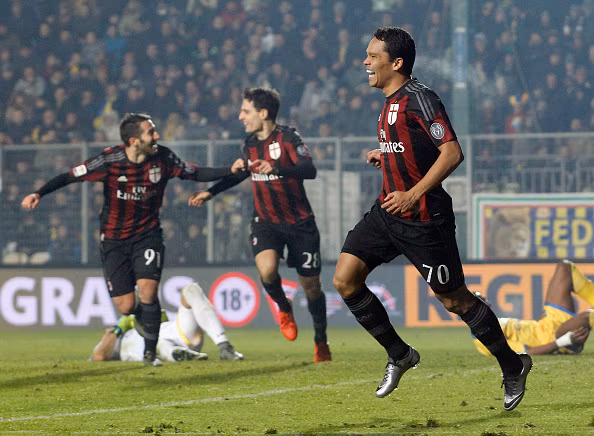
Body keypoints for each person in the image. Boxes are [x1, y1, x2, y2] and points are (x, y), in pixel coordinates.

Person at [331, 27, 531, 411]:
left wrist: (413, 193)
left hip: (424, 219)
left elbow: (452, 152)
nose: (365, 62)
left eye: (373, 56)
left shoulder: (421, 98)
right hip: (388, 212)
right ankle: (400, 354)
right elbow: (413, 146)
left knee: (454, 300)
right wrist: (386, 155)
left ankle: (513, 365)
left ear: (396, 62)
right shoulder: (389, 102)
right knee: (345, 279)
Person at [22, 113, 244, 367]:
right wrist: (39, 193)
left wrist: (229, 170)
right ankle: (143, 316)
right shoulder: (109, 160)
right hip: (114, 240)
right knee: (125, 306)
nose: (157, 136)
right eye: (151, 132)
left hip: (147, 235)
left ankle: (150, 353)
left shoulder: (163, 158)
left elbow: (196, 172)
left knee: (148, 290)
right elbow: (70, 176)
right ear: (133, 141)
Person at [188, 88, 331, 363]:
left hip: (300, 223)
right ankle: (283, 307)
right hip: (266, 221)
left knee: (312, 286)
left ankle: (320, 340)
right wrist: (211, 192)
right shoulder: (249, 144)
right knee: (267, 271)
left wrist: (277, 168)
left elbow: (309, 169)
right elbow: (241, 174)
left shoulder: (289, 138)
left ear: (263, 113)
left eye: (246, 111)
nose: (241, 116)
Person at [90, 281, 244, 362]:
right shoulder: (119, 337)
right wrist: (117, 329)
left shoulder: (144, 318)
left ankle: (224, 346)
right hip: (155, 349)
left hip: (178, 333)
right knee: (158, 346)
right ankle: (176, 354)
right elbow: (99, 356)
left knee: (191, 289)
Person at [474, 260, 593, 356]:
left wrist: (540, 320)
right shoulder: (485, 339)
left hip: (547, 323)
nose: (486, 300)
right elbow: (528, 351)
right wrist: (565, 341)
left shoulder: (495, 322)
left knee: (565, 267)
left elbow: (529, 332)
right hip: (555, 337)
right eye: (481, 300)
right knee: (587, 316)